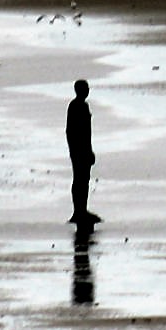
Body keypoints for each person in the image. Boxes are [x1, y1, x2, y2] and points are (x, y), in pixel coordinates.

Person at [66, 79, 99, 227]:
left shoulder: (79, 106)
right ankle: (79, 211)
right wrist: (84, 150)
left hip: (79, 149)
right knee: (81, 180)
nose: (87, 91)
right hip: (80, 149)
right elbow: (77, 132)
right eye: (85, 88)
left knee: (82, 179)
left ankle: (81, 210)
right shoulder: (77, 106)